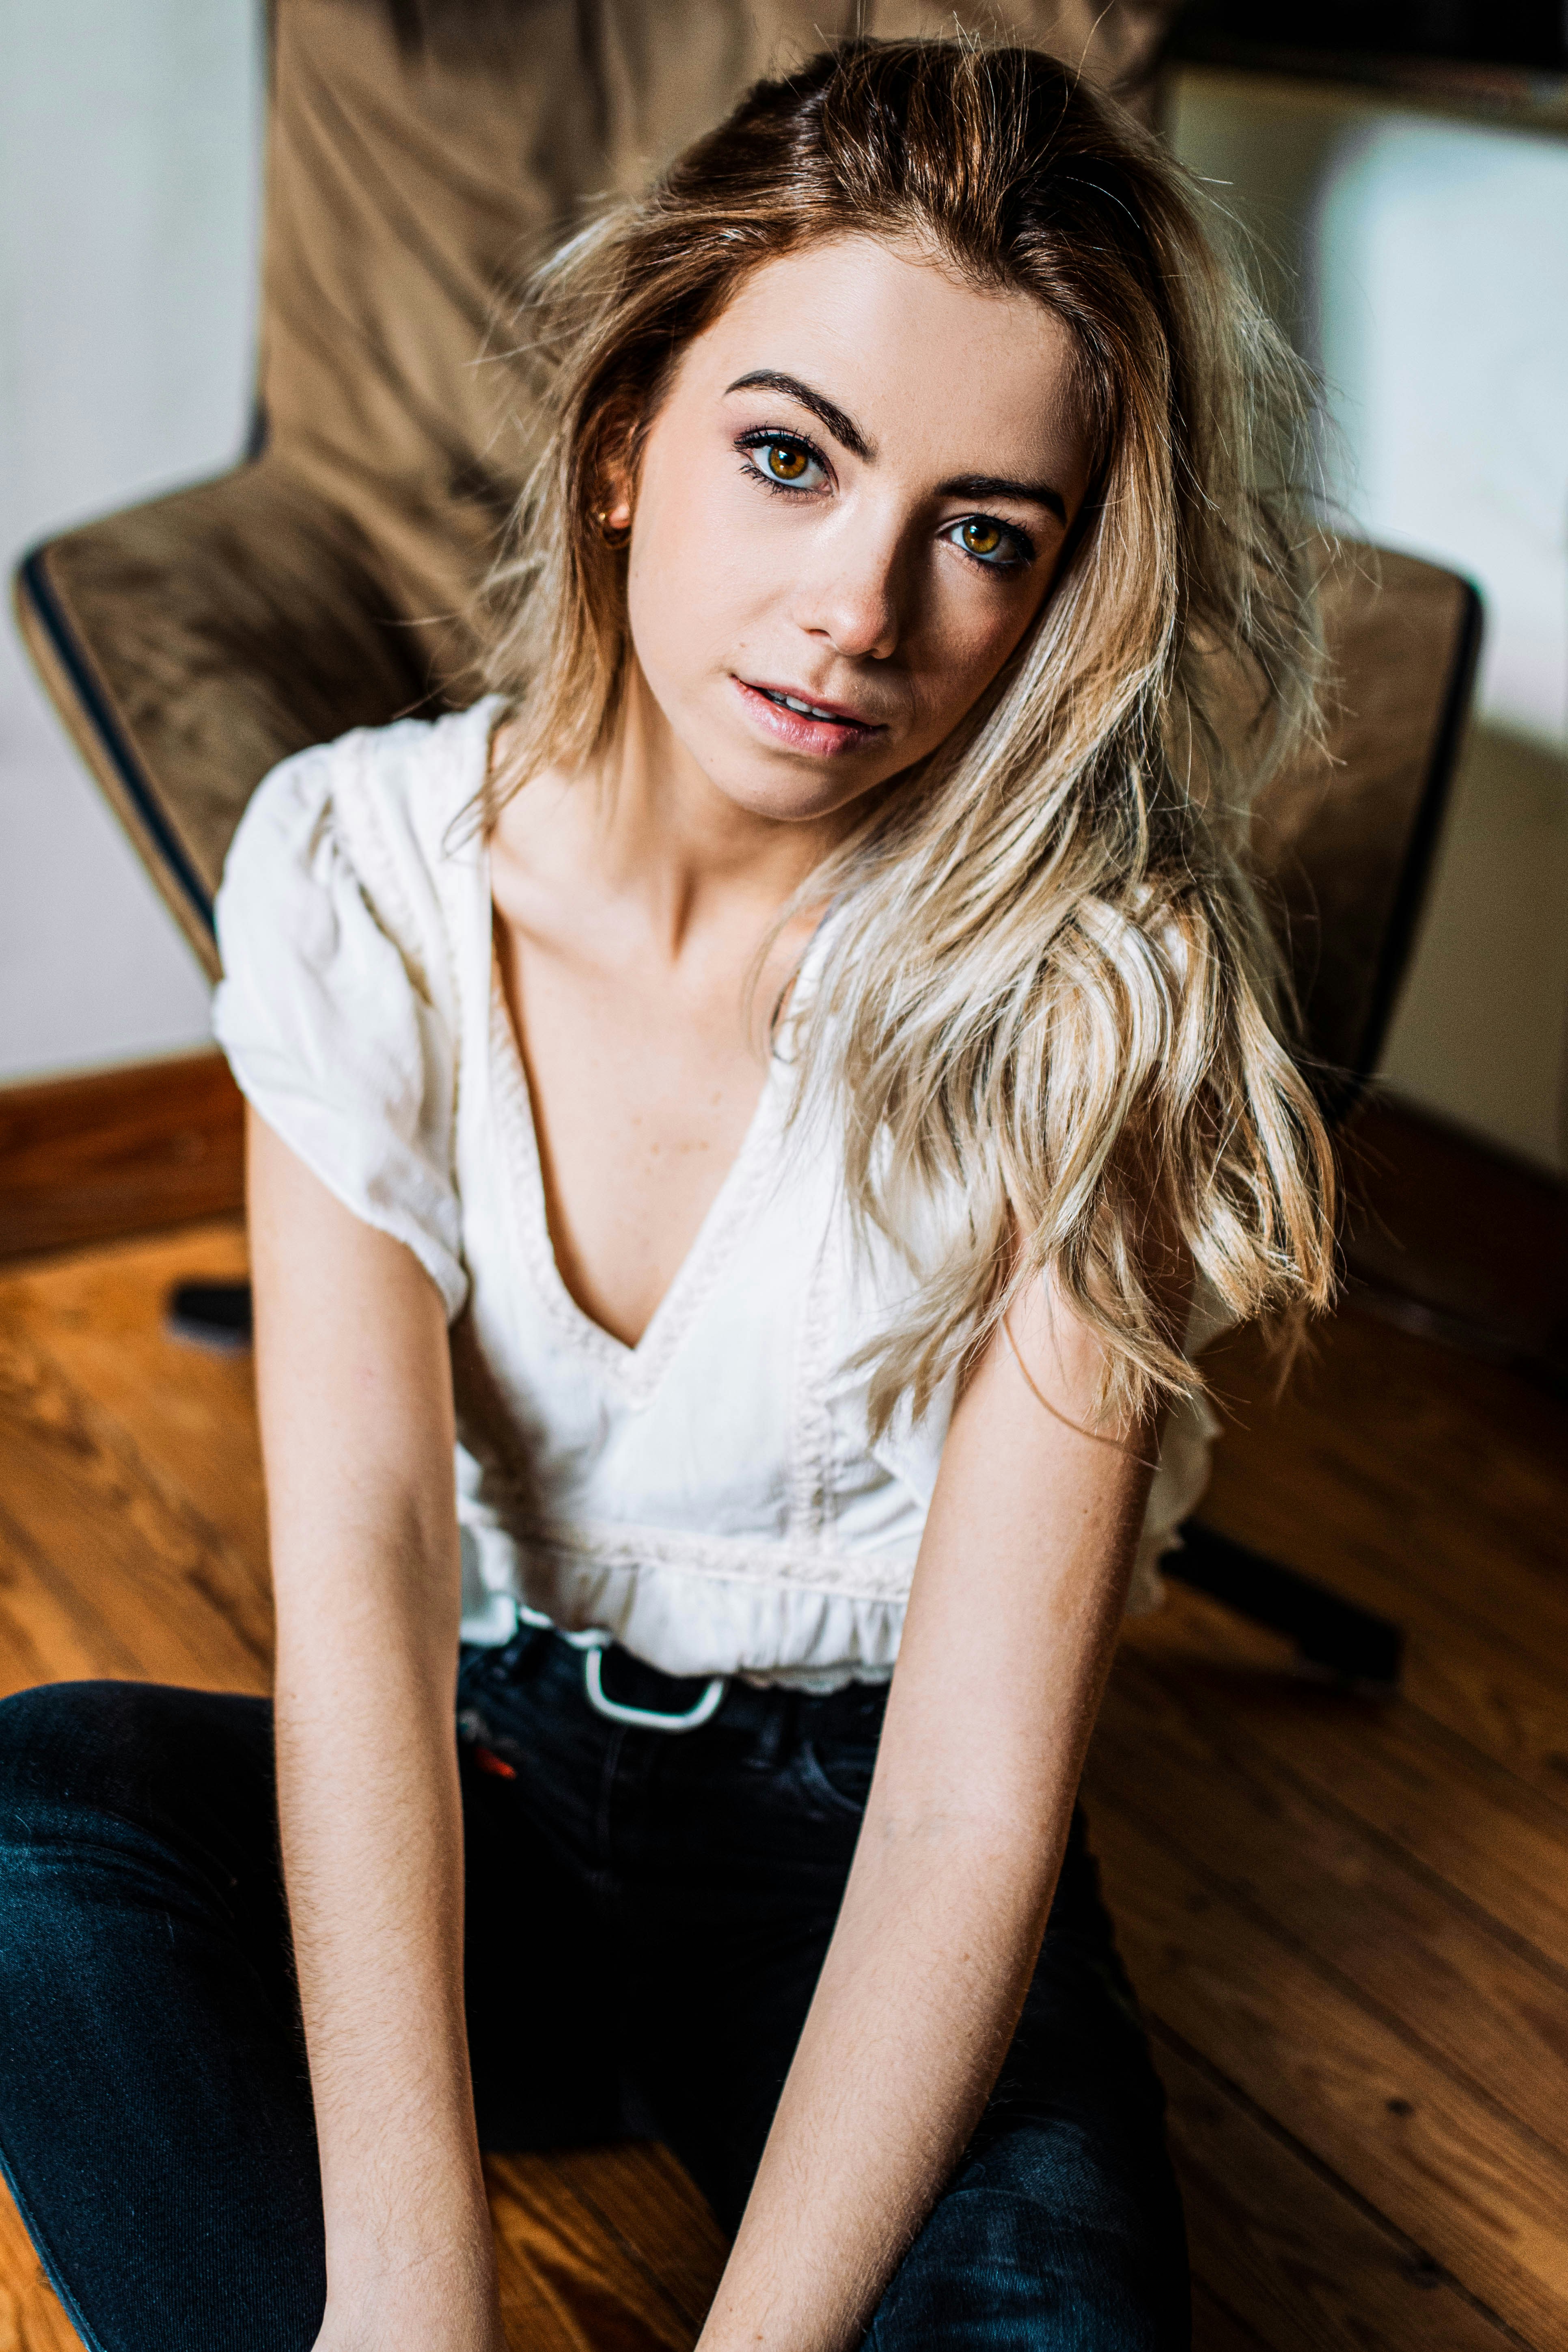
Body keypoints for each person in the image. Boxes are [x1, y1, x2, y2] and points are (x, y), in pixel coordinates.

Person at [0, 37, 1335, 2352]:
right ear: (627, 438)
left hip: (868, 1866)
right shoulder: (362, 873)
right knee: (31, 1830)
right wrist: (404, 2297)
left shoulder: (1092, 1000)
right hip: (492, 1779)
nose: (858, 609)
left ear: (1057, 593)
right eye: (790, 457)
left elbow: (970, 1811)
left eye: (984, 531)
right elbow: (365, 1573)